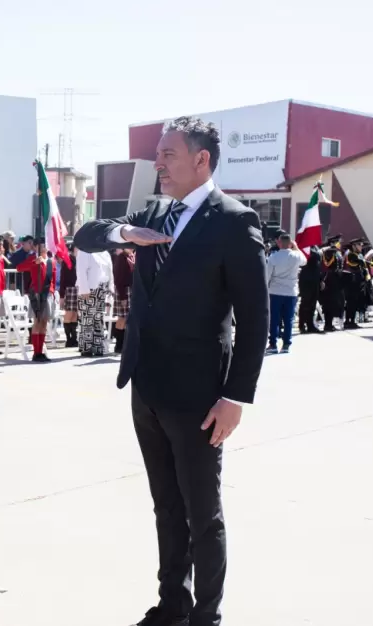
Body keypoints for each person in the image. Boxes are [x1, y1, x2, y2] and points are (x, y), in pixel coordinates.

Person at [74, 116, 268, 626]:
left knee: (203, 513)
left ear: (201, 160)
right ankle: (173, 606)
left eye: (169, 154)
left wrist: (236, 397)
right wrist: (123, 232)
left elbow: (255, 320)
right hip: (149, 385)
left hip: (200, 394)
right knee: (165, 507)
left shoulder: (234, 221)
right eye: (158, 154)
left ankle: (207, 616)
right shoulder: (155, 212)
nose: (158, 163)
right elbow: (86, 234)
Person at [16, 239, 56, 362]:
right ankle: (36, 352)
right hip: (37, 293)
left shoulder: (50, 261)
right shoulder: (33, 258)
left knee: (44, 322)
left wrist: (52, 292)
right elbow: (19, 268)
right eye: (43, 245)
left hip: (47, 293)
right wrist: (34, 262)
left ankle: (41, 351)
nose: (45, 247)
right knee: (37, 321)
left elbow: (52, 279)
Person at [265, 233, 306, 354]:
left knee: (274, 319)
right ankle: (286, 344)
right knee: (288, 319)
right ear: (290, 243)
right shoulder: (296, 256)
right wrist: (297, 247)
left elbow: (267, 275)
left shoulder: (273, 257)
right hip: (291, 292)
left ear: (279, 243)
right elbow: (305, 261)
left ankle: (273, 344)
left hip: (275, 291)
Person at [75, 245, 113, 357]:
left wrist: (111, 286)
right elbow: (81, 271)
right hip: (89, 288)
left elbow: (110, 272)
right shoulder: (85, 250)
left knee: (98, 318)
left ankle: (98, 346)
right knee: (87, 319)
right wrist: (84, 289)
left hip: (102, 288)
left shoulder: (105, 252)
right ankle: (86, 347)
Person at [111, 248, 135, 353]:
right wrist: (123, 297)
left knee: (127, 318)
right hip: (123, 291)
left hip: (131, 290)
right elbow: (118, 278)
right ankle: (118, 344)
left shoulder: (132, 257)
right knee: (122, 318)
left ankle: (124, 343)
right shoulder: (121, 258)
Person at [319, 235, 345, 332]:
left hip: (338, 280)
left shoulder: (337, 252)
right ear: (332, 243)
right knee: (329, 303)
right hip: (330, 281)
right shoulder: (329, 252)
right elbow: (327, 265)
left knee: (337, 303)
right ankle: (328, 324)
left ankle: (332, 323)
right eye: (337, 242)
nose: (339, 244)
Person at [342, 238, 369, 329]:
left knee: (355, 302)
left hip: (358, 282)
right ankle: (349, 321)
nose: (361, 247)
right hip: (351, 282)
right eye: (359, 245)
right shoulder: (350, 254)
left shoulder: (358, 254)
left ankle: (351, 320)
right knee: (351, 302)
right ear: (354, 246)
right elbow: (356, 264)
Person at [297, 246, 323, 334]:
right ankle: (302, 325)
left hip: (315, 279)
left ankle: (310, 324)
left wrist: (321, 280)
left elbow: (319, 266)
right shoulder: (304, 247)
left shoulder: (315, 247)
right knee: (305, 303)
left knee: (312, 303)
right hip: (306, 280)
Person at [59, 244, 80, 347]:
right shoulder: (67, 260)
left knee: (75, 315)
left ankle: (74, 338)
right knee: (69, 314)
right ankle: (68, 338)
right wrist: (62, 295)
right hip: (69, 289)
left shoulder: (79, 260)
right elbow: (63, 279)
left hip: (77, 289)